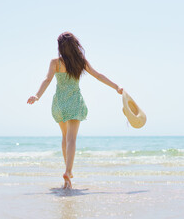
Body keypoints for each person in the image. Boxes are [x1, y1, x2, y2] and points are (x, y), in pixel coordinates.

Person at [27, 32, 123, 189]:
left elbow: (47, 80)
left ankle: (67, 176)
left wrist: (37, 96)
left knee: (65, 137)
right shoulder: (80, 62)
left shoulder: (55, 63)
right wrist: (116, 87)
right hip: (74, 102)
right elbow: (98, 76)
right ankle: (68, 171)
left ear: (60, 47)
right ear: (75, 45)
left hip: (59, 103)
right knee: (72, 139)